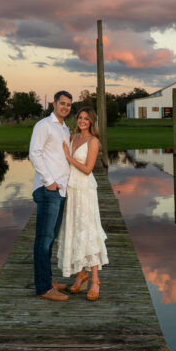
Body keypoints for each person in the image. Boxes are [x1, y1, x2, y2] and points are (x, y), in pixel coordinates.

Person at [57, 107, 108, 301]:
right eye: (80, 117)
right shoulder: (72, 138)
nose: (82, 121)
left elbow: (87, 169)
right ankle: (81, 273)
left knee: (88, 229)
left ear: (92, 121)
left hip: (85, 190)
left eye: (86, 118)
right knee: (75, 228)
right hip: (71, 189)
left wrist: (69, 157)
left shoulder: (93, 141)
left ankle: (95, 279)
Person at [29, 90, 73, 301]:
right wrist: (50, 182)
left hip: (61, 190)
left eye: (68, 105)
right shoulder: (43, 126)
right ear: (54, 104)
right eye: (62, 103)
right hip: (49, 190)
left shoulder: (65, 128)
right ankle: (43, 288)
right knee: (43, 240)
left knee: (50, 239)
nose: (65, 107)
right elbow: (34, 154)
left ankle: (48, 281)